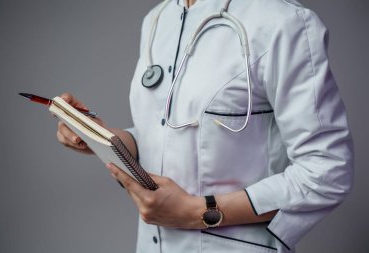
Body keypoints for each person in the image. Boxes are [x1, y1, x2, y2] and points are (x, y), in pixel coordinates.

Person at [56, 0, 354, 252]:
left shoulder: (283, 22)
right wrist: (99, 135)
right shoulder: (158, 19)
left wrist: (199, 213)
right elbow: (162, 135)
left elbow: (327, 170)